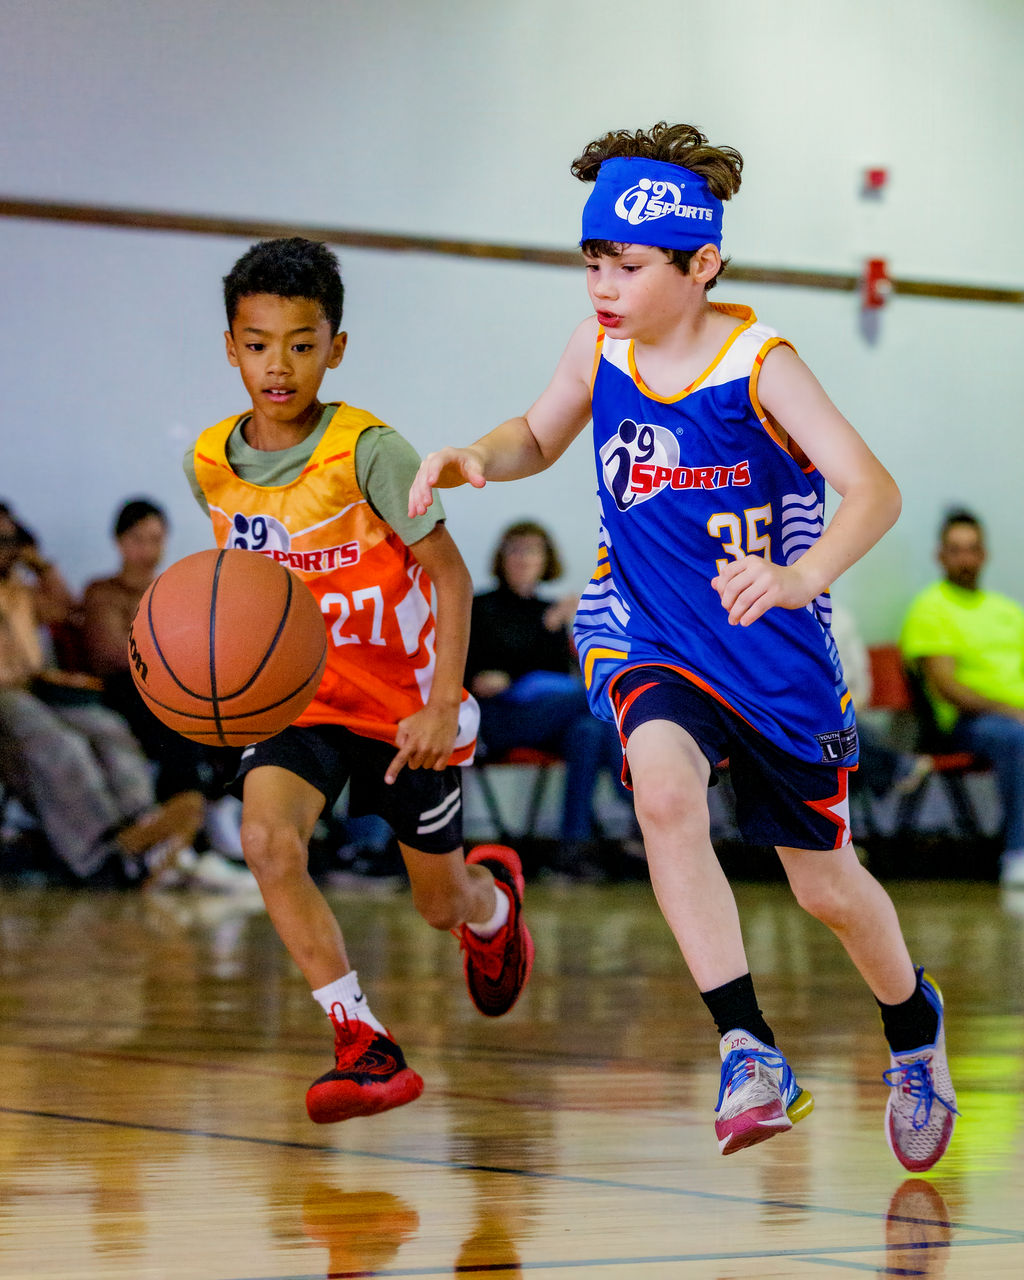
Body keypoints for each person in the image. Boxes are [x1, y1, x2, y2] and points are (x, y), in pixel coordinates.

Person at [409, 122, 957, 1169]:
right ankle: (747, 1045)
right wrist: (476, 455)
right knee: (661, 791)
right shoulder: (596, 346)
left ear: (700, 263)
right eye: (593, 262)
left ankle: (911, 1023)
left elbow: (872, 489)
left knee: (825, 885)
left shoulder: (762, 364)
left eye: (627, 265)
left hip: (769, 649)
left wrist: (802, 576)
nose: (603, 285)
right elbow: (538, 431)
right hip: (643, 626)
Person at [182, 236, 533, 1125]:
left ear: (335, 347)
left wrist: (443, 703)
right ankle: (360, 1039)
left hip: (404, 709)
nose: (278, 365)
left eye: (302, 344)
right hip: (298, 701)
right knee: (267, 842)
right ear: (230, 346)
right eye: (258, 344)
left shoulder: (368, 451)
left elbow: (451, 577)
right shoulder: (210, 465)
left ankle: (490, 908)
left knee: (436, 903)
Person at [0, 501, 201, 882]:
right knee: (60, 744)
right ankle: (102, 854)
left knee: (107, 729)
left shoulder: (20, 590)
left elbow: (62, 609)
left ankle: (144, 824)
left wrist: (38, 563)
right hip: (6, 695)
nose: (8, 547)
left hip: (39, 687)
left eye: (13, 539)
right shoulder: (105, 592)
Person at [79, 497, 256, 890]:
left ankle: (214, 815)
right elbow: (113, 654)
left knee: (238, 707)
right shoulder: (102, 592)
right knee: (179, 713)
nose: (149, 550)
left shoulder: (176, 589)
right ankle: (185, 823)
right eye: (139, 539)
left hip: (177, 686)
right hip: (124, 691)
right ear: (120, 542)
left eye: (157, 540)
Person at [468, 519, 639, 877]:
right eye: (514, 549)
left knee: (588, 730)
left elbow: (561, 673)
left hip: (551, 718)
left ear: (546, 559)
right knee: (593, 699)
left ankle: (571, 850)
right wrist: (541, 635)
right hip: (499, 718)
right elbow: (477, 674)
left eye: (532, 550)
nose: (523, 558)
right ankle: (638, 804)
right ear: (502, 557)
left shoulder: (553, 611)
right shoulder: (481, 606)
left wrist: (571, 627)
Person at [901, 508, 1024, 886]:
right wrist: (1014, 712)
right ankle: (1018, 853)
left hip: (1015, 716)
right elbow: (946, 686)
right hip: (966, 724)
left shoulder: (1006, 610)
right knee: (1016, 737)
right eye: (956, 550)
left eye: (972, 549)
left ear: (983, 554)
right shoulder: (931, 607)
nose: (965, 558)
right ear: (941, 556)